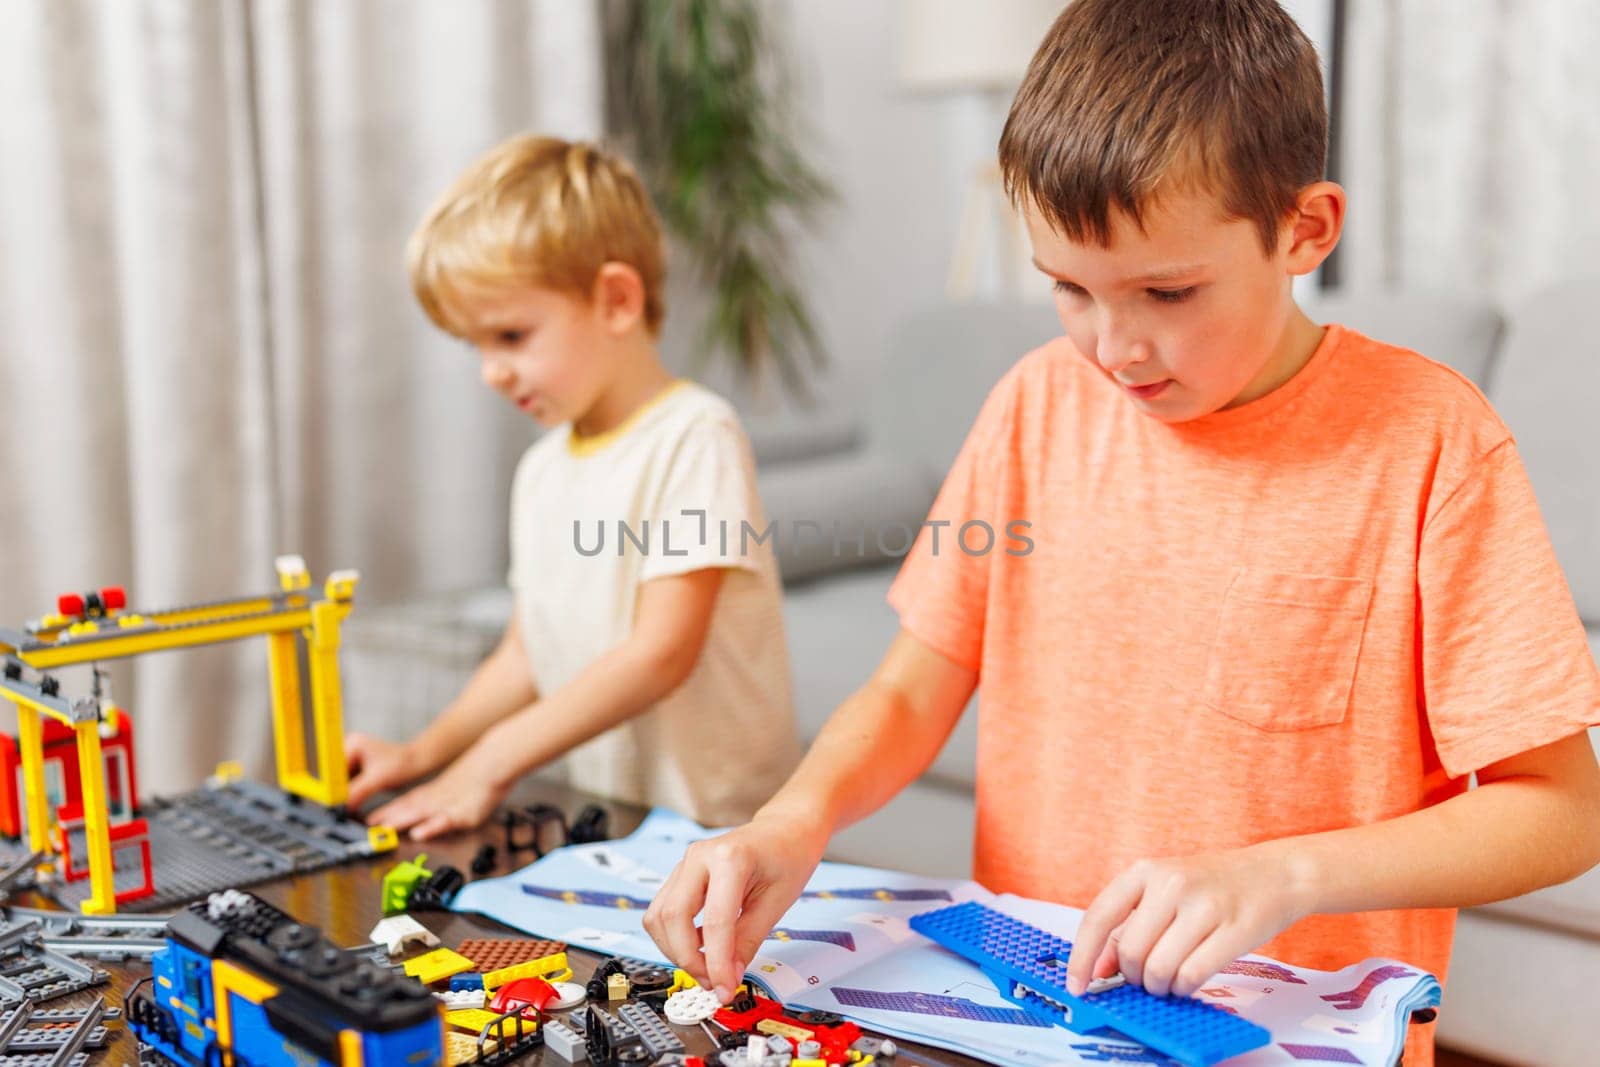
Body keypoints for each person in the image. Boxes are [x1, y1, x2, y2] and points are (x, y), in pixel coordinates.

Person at [641, 4, 1600, 1062]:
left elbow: (1559, 809)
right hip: (1030, 1016)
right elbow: (916, 684)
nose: (1113, 346)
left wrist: (1286, 871)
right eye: (1068, 288)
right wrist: (795, 818)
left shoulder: (1430, 442)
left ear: (1305, 229)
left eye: (1167, 290)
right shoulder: (1032, 404)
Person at [344, 135, 799, 838]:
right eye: (477, 346)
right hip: (616, 825)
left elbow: (661, 652)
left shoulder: (695, 436)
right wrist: (423, 753)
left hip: (719, 831)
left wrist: (496, 759)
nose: (491, 371)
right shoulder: (543, 469)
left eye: (512, 336)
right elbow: (527, 654)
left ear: (616, 299)